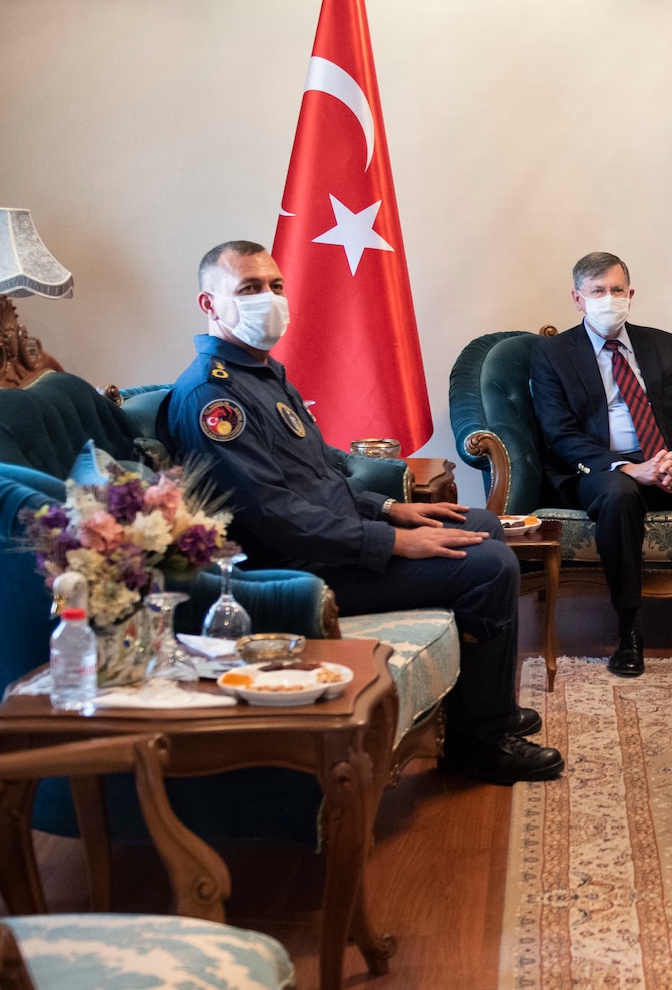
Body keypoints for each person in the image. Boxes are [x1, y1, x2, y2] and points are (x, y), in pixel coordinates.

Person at [163, 241, 564, 785]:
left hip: (335, 540)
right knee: (489, 566)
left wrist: (391, 508)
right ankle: (480, 741)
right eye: (249, 289)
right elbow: (275, 516)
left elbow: (321, 471)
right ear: (209, 304)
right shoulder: (215, 398)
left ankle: (481, 704)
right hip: (296, 569)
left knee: (482, 524)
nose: (269, 299)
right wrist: (393, 542)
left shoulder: (265, 374)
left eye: (276, 286)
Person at [528, 252, 672, 679]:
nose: (608, 298)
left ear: (631, 294)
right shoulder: (552, 354)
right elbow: (560, 433)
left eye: (616, 290)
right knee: (619, 497)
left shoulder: (661, 344)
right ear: (578, 299)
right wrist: (626, 468)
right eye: (597, 291)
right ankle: (629, 632)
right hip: (604, 471)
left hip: (668, 460)